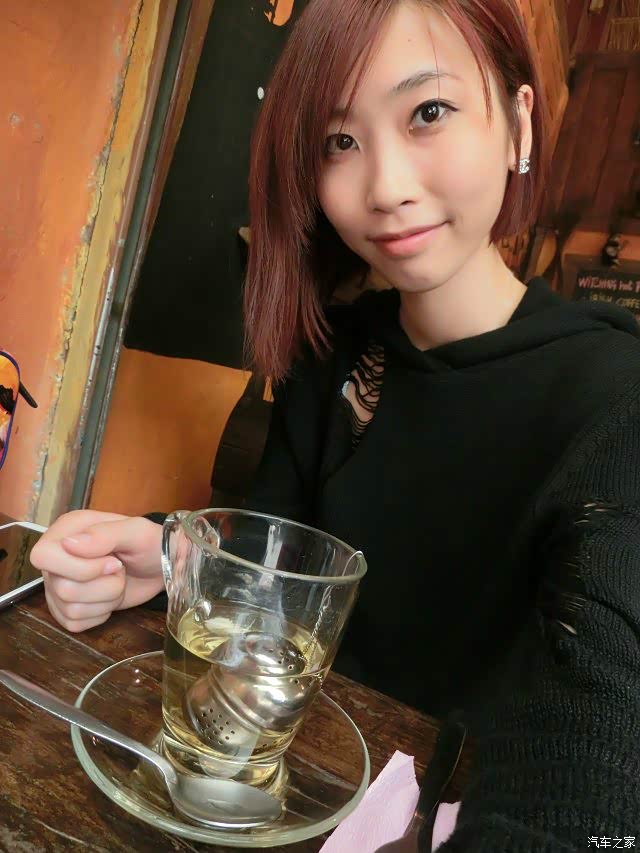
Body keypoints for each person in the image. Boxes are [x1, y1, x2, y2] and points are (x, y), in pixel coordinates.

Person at [31, 0, 640, 848]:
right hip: (295, 792)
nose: (384, 186)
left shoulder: (614, 397)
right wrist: (173, 557)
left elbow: (602, 719)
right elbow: (276, 555)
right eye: (339, 142)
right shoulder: (335, 359)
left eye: (429, 111)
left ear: (518, 125)